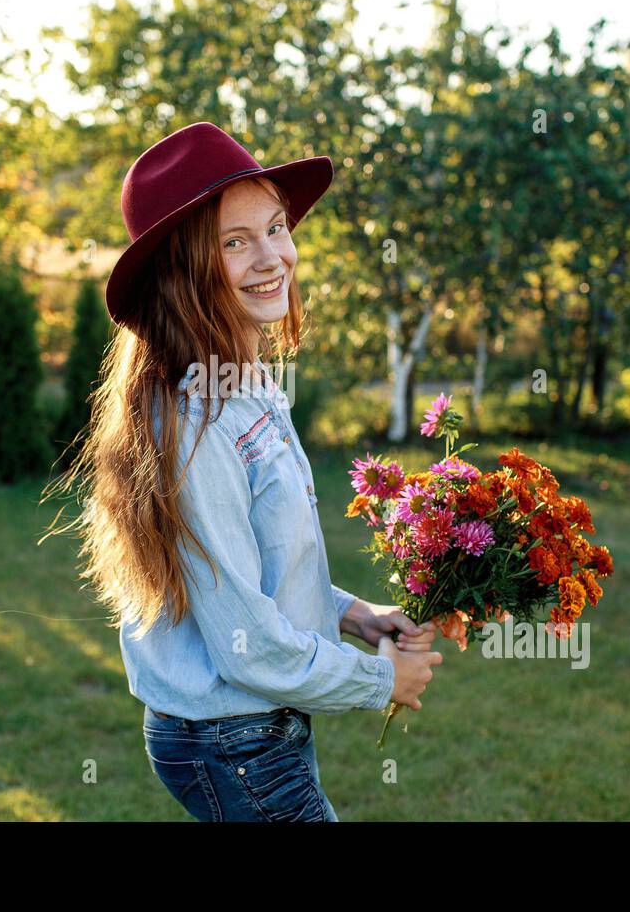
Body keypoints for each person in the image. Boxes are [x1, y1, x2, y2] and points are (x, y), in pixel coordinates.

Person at [49, 121, 442, 822]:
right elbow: (247, 644)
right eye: (235, 242)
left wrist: (356, 614)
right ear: (184, 270)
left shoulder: (245, 379)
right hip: (232, 741)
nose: (273, 258)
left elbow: (255, 573)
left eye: (276, 228)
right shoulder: (195, 423)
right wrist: (381, 678)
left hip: (253, 732)